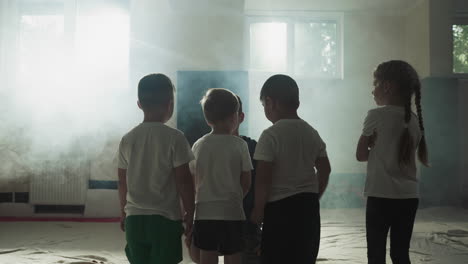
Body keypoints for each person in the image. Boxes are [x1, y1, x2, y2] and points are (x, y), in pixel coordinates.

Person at [250, 74, 331, 264]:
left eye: (263, 105)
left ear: (270, 102)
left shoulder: (270, 135)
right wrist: (314, 195)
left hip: (279, 210)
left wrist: (258, 209)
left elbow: (263, 178)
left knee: (275, 257)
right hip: (308, 207)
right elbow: (325, 170)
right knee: (304, 256)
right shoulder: (311, 132)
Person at [356, 60, 429, 264]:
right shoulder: (414, 120)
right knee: (400, 254)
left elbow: (361, 155)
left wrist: (371, 146)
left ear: (387, 86)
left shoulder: (375, 115)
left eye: (375, 84)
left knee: (376, 255)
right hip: (408, 197)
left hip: (380, 196)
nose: (373, 91)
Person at [117, 73, 195, 264]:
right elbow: (184, 180)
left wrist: (123, 212)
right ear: (170, 104)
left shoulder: (127, 139)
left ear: (139, 104)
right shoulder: (175, 138)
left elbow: (122, 181)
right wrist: (190, 212)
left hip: (135, 220)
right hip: (165, 220)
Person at [186, 94, 260, 264]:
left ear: (207, 119)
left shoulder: (199, 144)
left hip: (204, 213)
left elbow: (193, 178)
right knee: (233, 253)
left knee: (207, 255)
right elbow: (246, 180)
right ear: (236, 116)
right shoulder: (240, 145)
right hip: (232, 211)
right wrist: (235, 197)